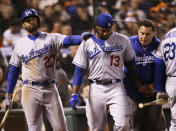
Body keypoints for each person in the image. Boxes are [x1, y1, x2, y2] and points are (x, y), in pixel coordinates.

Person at [5, 8, 88, 131]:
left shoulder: (51, 38)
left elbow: (68, 40)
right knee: (34, 128)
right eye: (27, 20)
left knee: (61, 128)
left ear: (38, 21)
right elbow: (13, 70)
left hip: (50, 87)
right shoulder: (20, 44)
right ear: (23, 24)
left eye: (33, 19)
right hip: (30, 89)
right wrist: (8, 93)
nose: (31, 22)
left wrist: (81, 38)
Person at [69, 13, 152, 131]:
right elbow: (79, 70)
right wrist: (75, 93)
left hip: (116, 87)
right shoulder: (87, 42)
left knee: (124, 124)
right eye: (103, 30)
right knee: (96, 128)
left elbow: (132, 66)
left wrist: (139, 85)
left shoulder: (122, 39)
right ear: (96, 27)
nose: (106, 33)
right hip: (95, 87)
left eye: (109, 30)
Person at [124, 19, 166, 131]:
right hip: (133, 93)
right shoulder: (129, 43)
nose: (144, 37)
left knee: (155, 125)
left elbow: (163, 67)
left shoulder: (158, 44)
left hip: (153, 92)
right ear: (138, 32)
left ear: (154, 33)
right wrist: (139, 86)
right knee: (136, 126)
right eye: (142, 33)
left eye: (148, 34)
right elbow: (126, 69)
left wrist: (155, 85)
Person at [154, 12, 176, 131]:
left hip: (171, 81)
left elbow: (158, 63)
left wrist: (160, 88)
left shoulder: (166, 36)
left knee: (175, 120)